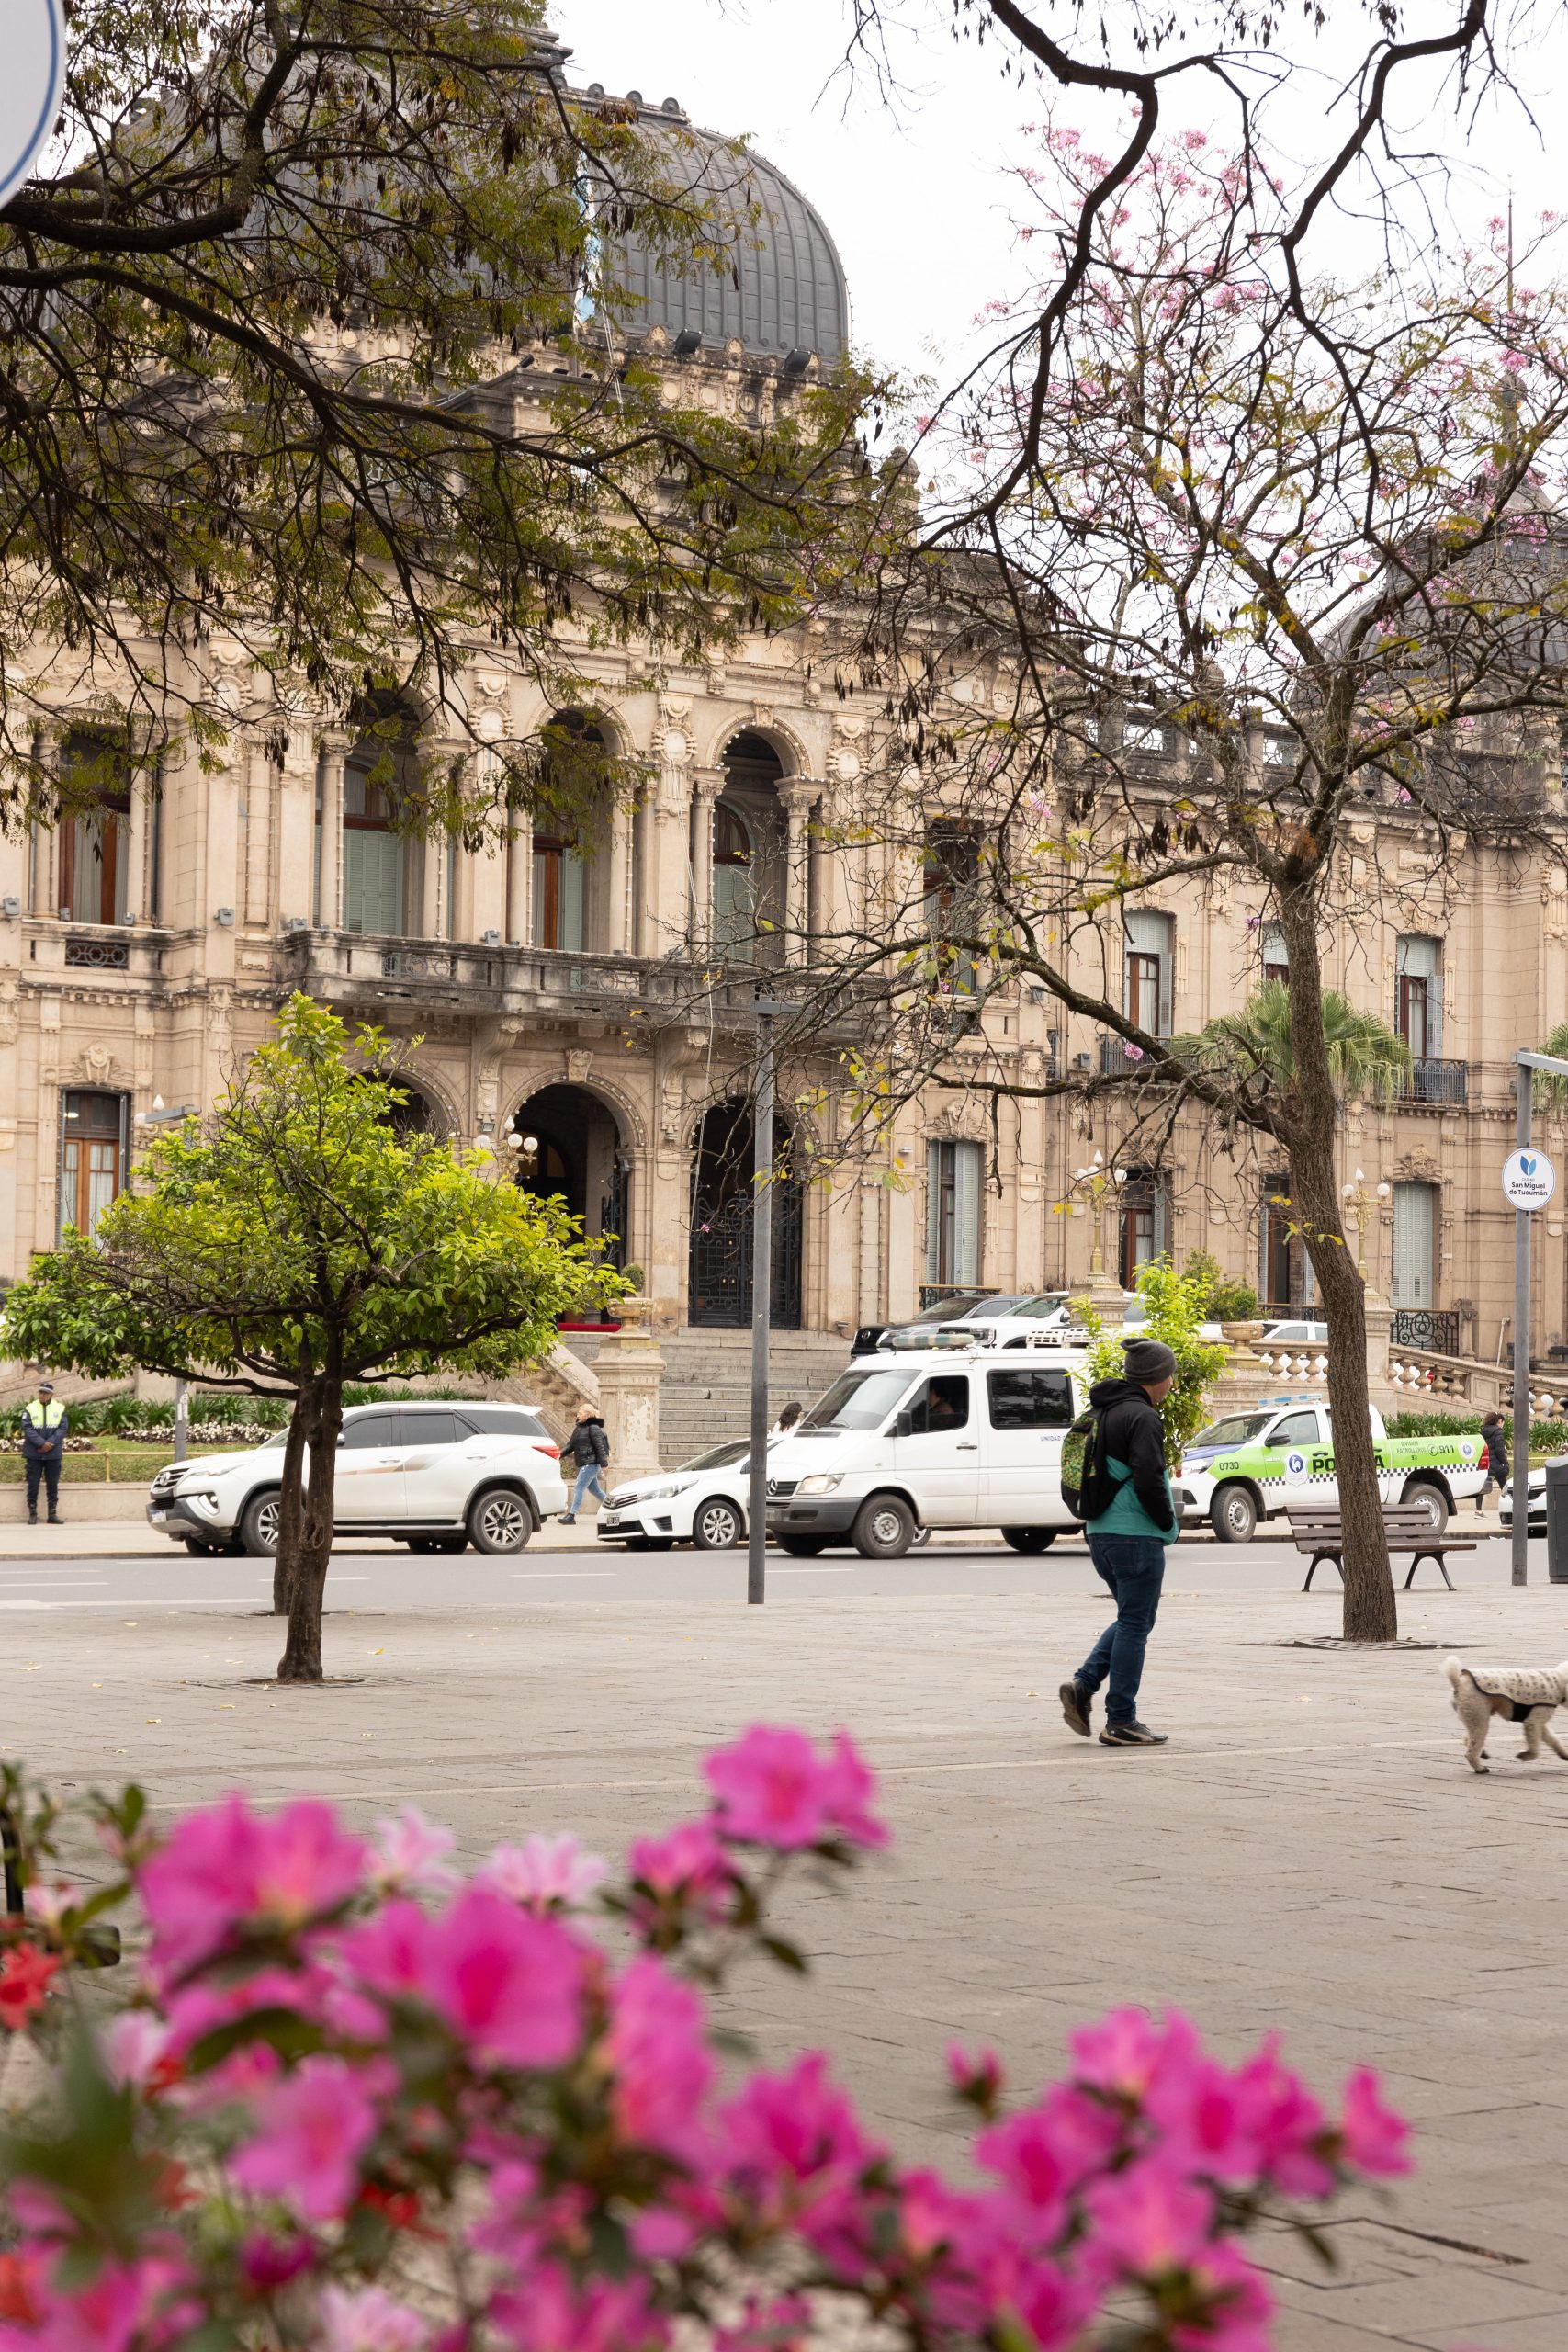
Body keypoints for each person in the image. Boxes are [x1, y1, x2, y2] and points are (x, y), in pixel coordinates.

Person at [1059, 1338, 1179, 1747]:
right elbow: (1148, 1476)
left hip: (1100, 1533)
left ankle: (1084, 1684)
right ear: (1156, 1377)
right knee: (1135, 1622)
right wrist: (1168, 1522)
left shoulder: (1101, 1411)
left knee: (1133, 1618)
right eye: (1169, 1374)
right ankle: (1121, 1720)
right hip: (1136, 1535)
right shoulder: (1142, 1416)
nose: (1171, 1381)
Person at [20, 1378, 68, 1527]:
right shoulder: (30, 1408)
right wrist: (42, 1443)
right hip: (34, 1453)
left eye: (46, 1393)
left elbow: (63, 1428)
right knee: (33, 1484)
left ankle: (52, 1514)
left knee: (52, 1484)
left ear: (51, 1394)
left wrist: (49, 1444)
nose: (43, 1395)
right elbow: (27, 1428)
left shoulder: (59, 1408)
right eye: (41, 1392)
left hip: (52, 1454)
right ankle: (33, 1513)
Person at [558, 1406, 610, 1522]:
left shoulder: (594, 1428)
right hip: (584, 1463)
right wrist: (558, 1455)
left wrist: (604, 1464)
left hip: (591, 1463)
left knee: (578, 1488)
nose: (577, 1415)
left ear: (587, 1415)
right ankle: (613, 1507)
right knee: (595, 1490)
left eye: (580, 1413)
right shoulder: (578, 1428)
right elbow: (570, 1445)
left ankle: (571, 1515)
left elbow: (600, 1447)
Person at [1478, 1409, 1509, 1513]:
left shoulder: (1483, 1431)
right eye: (1503, 1423)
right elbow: (1499, 1451)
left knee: (1481, 1487)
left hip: (1485, 1462)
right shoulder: (1498, 1432)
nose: (1503, 1426)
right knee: (1504, 1486)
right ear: (1499, 1421)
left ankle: (1478, 1511)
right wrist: (1505, 1462)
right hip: (1496, 1463)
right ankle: (1509, 1507)